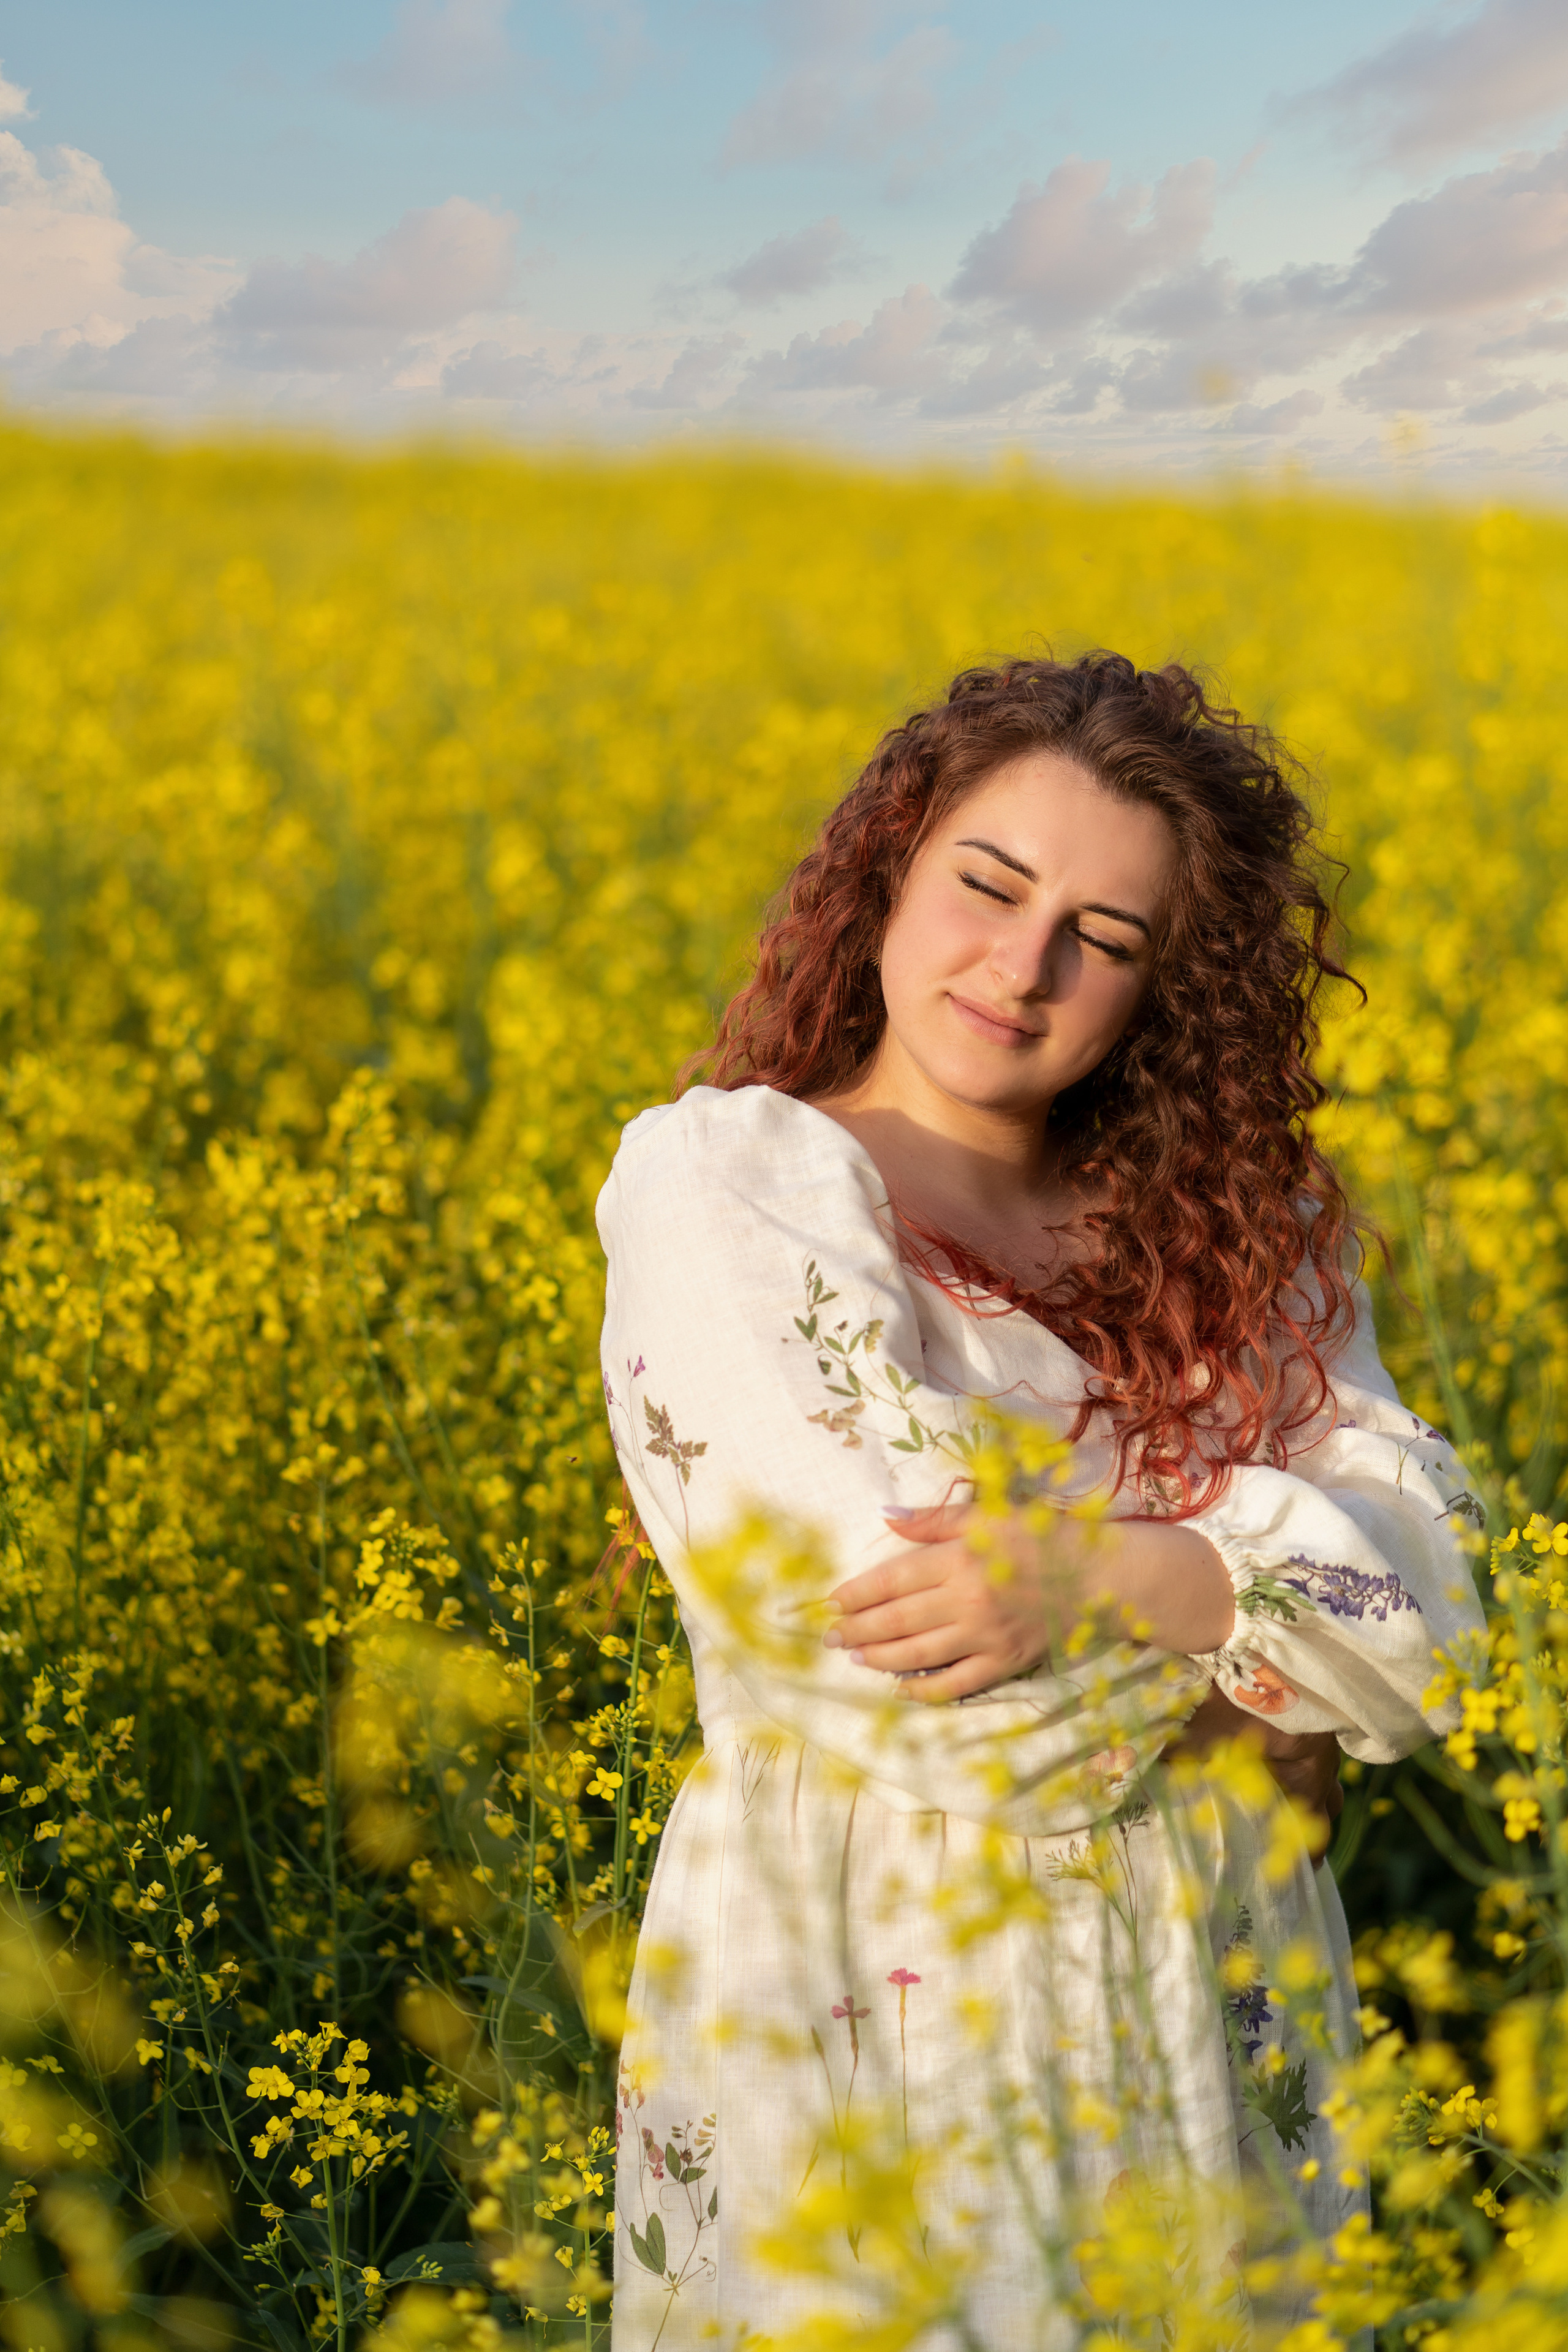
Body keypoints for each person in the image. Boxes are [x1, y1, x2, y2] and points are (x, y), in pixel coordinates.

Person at [596, 652, 1484, 2349]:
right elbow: (917, 1669)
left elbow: (1441, 1602)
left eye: (1110, 939)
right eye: (987, 887)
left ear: (1167, 992)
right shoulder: (730, 1182)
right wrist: (1271, 1684)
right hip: (879, 1976)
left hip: (1223, 1978)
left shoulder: (1251, 1229)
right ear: (893, 869)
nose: (1024, 967)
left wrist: (1127, 1576)